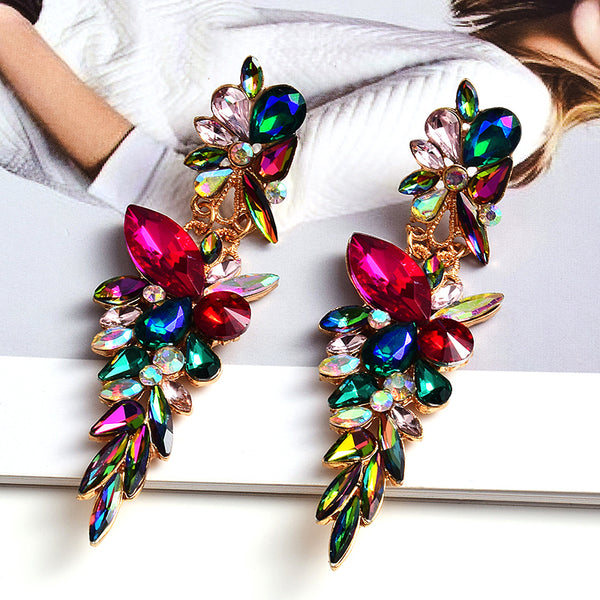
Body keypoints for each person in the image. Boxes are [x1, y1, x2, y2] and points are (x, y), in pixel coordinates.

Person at [0, 0, 598, 228]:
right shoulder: (495, 69)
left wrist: (10, 31)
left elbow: (213, 209)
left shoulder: (507, 101)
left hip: (31, 53)